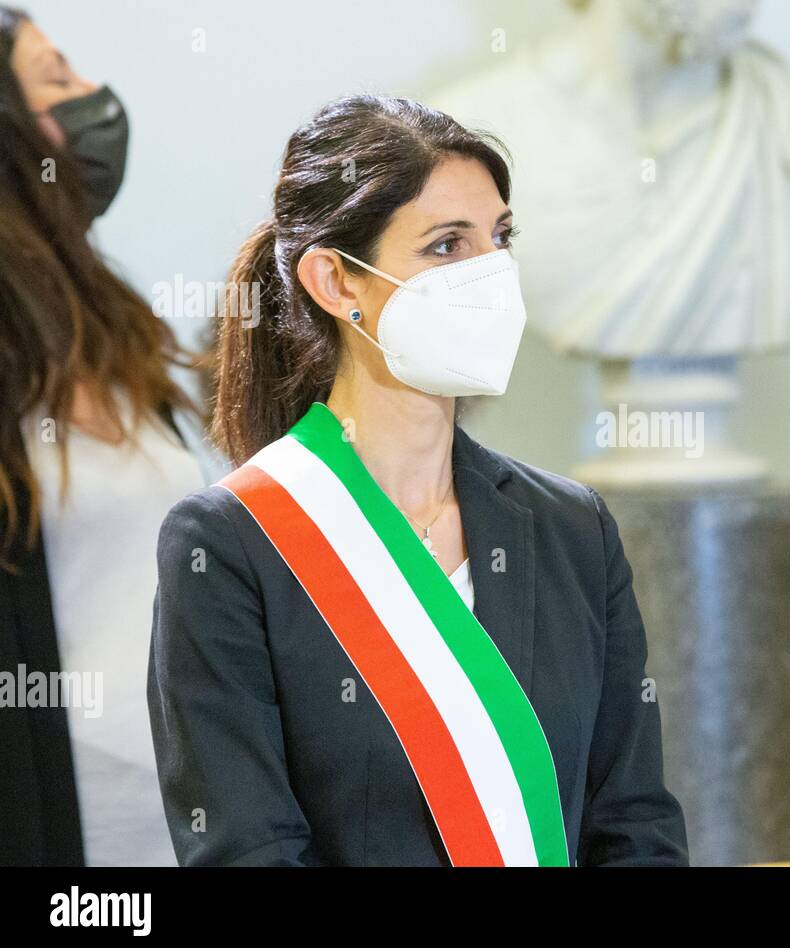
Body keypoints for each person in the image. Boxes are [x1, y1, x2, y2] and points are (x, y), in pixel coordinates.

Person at [147, 94, 689, 866]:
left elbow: (635, 822)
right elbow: (247, 848)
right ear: (336, 283)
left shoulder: (573, 529)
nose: (490, 275)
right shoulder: (232, 544)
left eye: (501, 238)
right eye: (445, 247)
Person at [0, 6, 207, 866]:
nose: (98, 101)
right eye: (58, 79)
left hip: (183, 821)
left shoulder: (119, 336)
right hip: (52, 829)